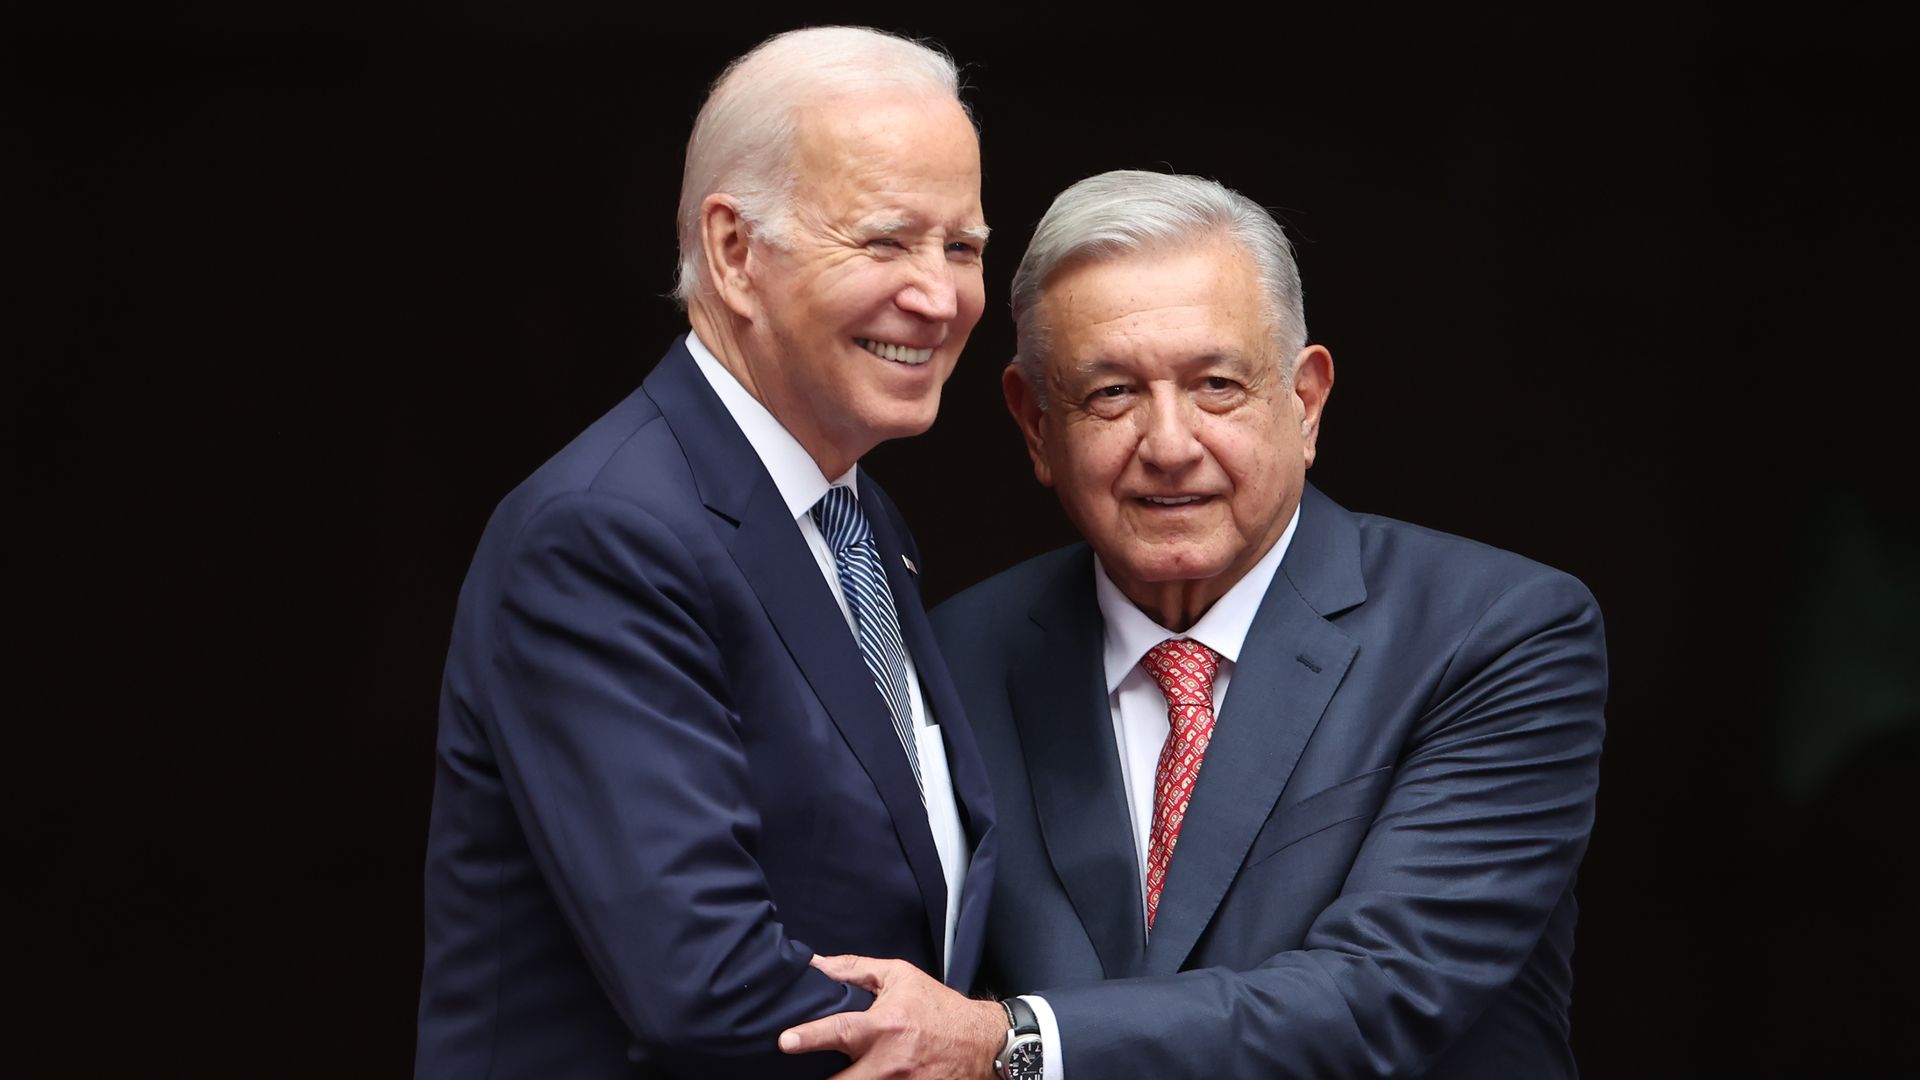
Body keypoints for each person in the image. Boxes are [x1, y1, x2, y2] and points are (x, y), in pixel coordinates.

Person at [779, 170, 1607, 1078]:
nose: (1169, 445)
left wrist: (1006, 1042)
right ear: (1033, 425)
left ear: (1306, 402)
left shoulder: (1496, 633)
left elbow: (1384, 991)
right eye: (1111, 395)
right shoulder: (952, 658)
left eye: (1217, 384)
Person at [415, 27, 999, 1079]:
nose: (940, 295)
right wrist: (987, 1053)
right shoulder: (604, 535)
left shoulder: (862, 524)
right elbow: (708, 984)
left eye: (962, 247)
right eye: (884, 242)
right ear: (734, 252)